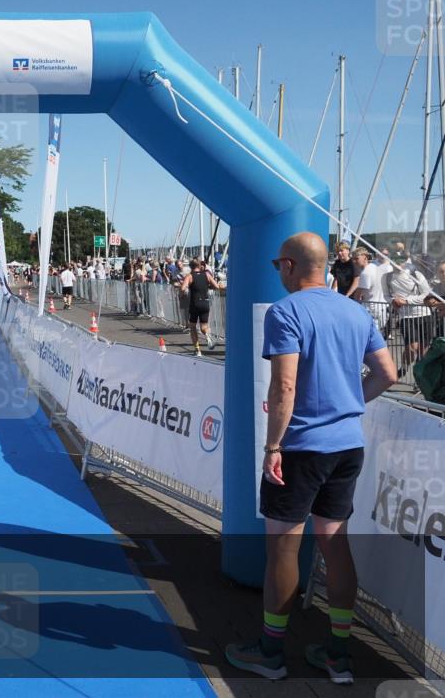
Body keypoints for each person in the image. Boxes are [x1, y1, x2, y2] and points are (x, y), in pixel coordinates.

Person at [225, 232, 396, 684]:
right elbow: (389, 373)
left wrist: (273, 447)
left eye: (277, 265)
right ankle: (339, 654)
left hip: (301, 447)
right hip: (346, 445)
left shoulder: (286, 312)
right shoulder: (355, 311)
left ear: (289, 266)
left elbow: (284, 387)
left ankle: (271, 651)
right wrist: (347, 404)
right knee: (334, 544)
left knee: (282, 547)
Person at [381, 261, 434, 376]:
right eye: (394, 260)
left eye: (400, 260)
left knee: (423, 351)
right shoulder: (387, 277)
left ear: (405, 261)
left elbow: (426, 294)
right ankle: (404, 368)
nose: (397, 263)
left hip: (424, 314)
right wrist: (393, 301)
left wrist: (406, 301)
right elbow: (386, 296)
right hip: (406, 316)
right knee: (411, 348)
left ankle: (419, 378)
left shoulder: (416, 274)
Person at [180, 258, 220, 357]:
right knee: (203, 327)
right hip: (205, 303)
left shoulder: (189, 276)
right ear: (199, 266)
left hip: (195, 304)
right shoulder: (207, 275)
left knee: (193, 327)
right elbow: (216, 286)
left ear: (190, 267)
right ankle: (207, 336)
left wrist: (182, 294)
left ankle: (198, 350)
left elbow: (182, 288)